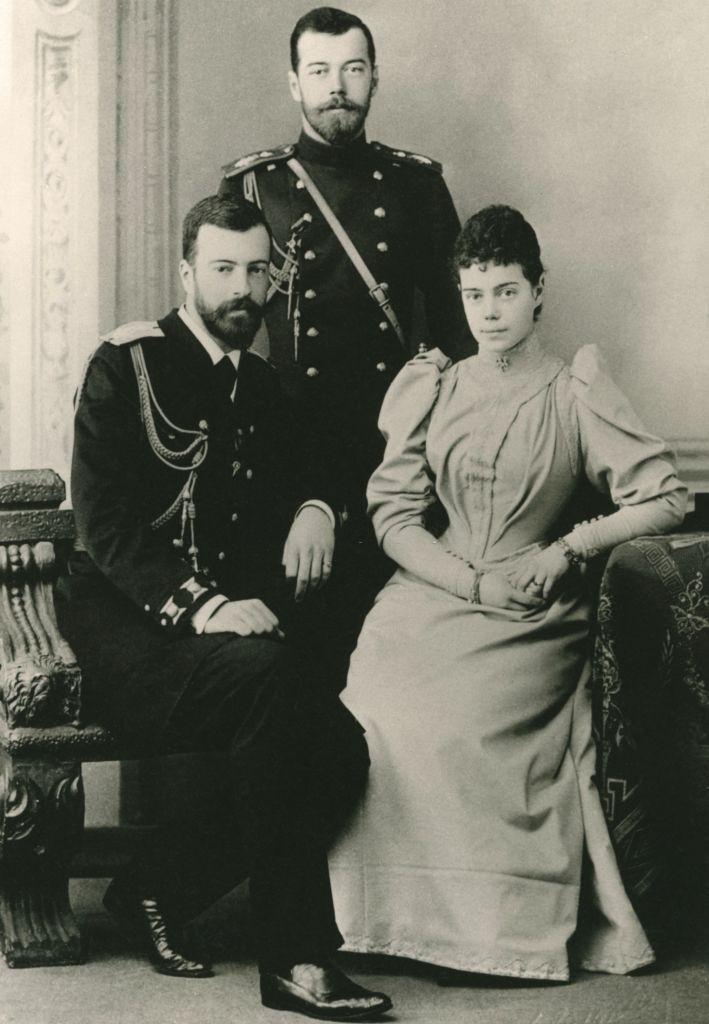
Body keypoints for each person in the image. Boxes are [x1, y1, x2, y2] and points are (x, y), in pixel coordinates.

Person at [328, 205, 687, 980]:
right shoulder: (434, 384)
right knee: (375, 707)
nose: (488, 312)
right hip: (433, 586)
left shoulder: (574, 389)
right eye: (473, 294)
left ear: (537, 292)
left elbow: (666, 497)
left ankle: (487, 934)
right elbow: (391, 514)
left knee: (463, 722)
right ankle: (374, 923)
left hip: (529, 603)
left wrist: (565, 550)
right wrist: (462, 577)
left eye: (503, 292)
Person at [56, 195, 393, 1021]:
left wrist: (317, 505)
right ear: (186, 272)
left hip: (223, 652)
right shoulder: (127, 363)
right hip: (124, 640)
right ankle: (298, 959)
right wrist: (203, 605)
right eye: (222, 271)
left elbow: (313, 469)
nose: (243, 290)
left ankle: (154, 888)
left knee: (340, 750)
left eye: (255, 271)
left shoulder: (262, 385)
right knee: (275, 682)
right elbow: (103, 525)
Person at [218, 6, 473, 693]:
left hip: (398, 449)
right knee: (299, 664)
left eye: (352, 70)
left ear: (374, 79)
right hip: (288, 448)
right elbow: (223, 342)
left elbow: (459, 336)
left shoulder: (417, 186)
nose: (338, 86)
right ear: (294, 83)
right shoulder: (252, 186)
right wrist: (305, 495)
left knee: (400, 663)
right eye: (321, 71)